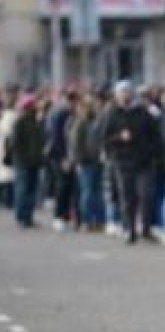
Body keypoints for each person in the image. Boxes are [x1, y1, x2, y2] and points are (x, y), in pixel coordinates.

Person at [103, 81, 164, 244]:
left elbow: (156, 135)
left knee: (146, 195)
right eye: (122, 93)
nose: (125, 96)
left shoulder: (143, 113)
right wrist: (118, 138)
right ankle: (130, 230)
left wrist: (154, 154)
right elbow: (103, 139)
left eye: (128, 92)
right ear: (116, 96)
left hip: (144, 161)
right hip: (122, 161)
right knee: (127, 197)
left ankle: (146, 229)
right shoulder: (111, 114)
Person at [69, 95, 106, 232]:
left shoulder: (95, 122)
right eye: (87, 106)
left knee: (97, 192)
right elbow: (75, 145)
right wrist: (79, 160)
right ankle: (87, 220)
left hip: (97, 161)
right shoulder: (79, 124)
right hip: (86, 163)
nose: (91, 109)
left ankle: (99, 221)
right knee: (88, 192)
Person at [8, 94, 45, 228]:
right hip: (23, 162)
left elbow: (40, 140)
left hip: (34, 162)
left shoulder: (35, 121)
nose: (35, 106)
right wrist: (22, 156)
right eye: (32, 104)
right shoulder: (19, 122)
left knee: (31, 190)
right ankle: (22, 217)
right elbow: (14, 143)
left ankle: (28, 217)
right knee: (22, 190)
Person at [46, 90, 79, 231]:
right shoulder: (59, 114)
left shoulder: (71, 114)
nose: (74, 103)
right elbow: (57, 138)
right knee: (62, 187)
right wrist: (63, 158)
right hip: (60, 156)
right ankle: (58, 217)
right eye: (72, 100)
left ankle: (66, 217)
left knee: (69, 187)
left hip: (69, 156)